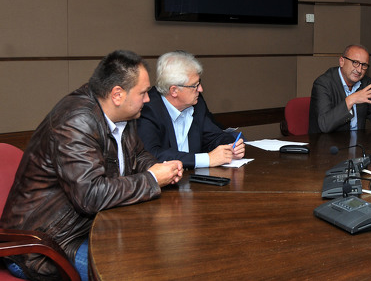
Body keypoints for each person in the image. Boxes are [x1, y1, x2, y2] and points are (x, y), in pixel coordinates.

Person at [1, 50, 183, 281]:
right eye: (143, 92)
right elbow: (90, 196)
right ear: (117, 94)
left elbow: (137, 155)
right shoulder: (75, 122)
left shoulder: (122, 112)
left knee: (166, 253)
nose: (148, 99)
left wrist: (162, 170)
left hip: (91, 228)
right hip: (43, 246)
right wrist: (152, 179)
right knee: (135, 272)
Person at [137, 51, 245, 168]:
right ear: (174, 91)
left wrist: (230, 146)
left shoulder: (197, 103)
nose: (200, 89)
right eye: (195, 85)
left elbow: (214, 136)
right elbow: (153, 154)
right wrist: (207, 159)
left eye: (199, 83)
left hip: (196, 176)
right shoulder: (148, 109)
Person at [308, 44, 371, 133]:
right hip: (327, 141)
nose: (359, 70)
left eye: (364, 65)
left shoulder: (366, 83)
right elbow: (324, 125)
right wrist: (351, 100)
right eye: (355, 62)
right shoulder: (323, 83)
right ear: (342, 61)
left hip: (357, 140)